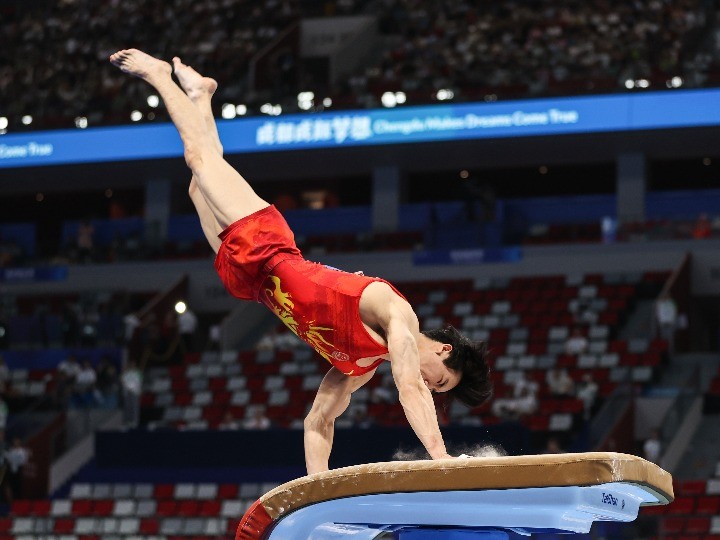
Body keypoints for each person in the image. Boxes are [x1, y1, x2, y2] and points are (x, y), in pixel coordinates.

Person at [109, 49, 492, 474]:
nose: (429, 384)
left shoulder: (362, 365)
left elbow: (318, 421)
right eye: (439, 378)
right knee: (200, 160)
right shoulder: (396, 313)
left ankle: (200, 95)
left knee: (198, 186)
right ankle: (161, 75)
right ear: (443, 349)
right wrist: (439, 457)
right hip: (268, 247)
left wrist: (317, 489)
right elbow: (409, 388)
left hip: (251, 283)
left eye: (437, 388)